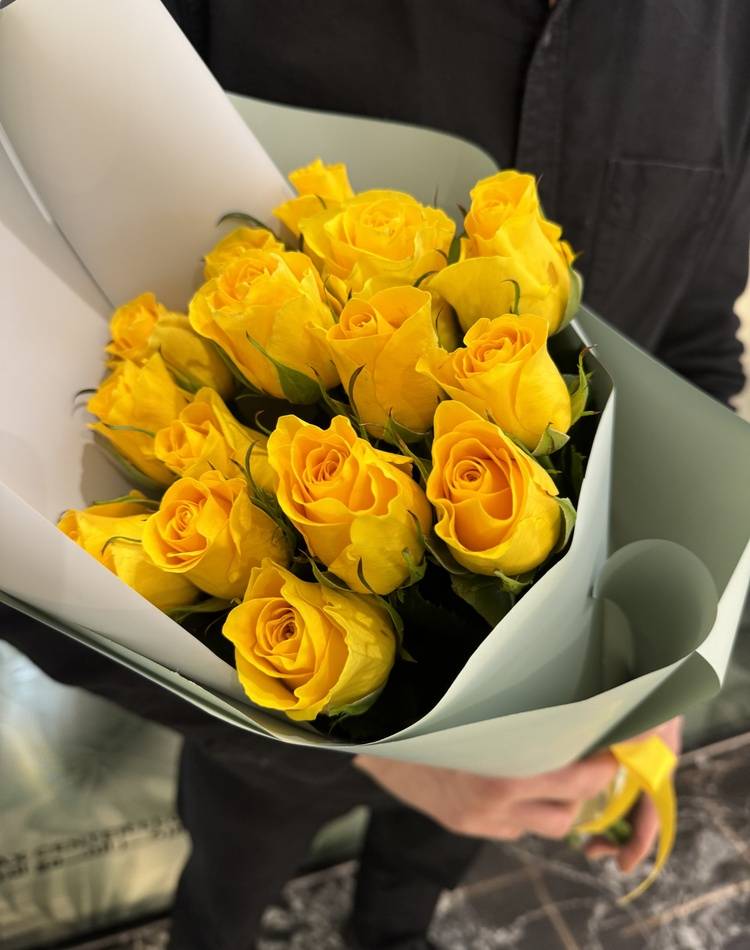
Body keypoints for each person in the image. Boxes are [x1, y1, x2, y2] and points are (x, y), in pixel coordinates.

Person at [2, 1, 748, 947]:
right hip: (271, 706)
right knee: (228, 885)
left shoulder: (719, 29)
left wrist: (658, 680)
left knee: (420, 879)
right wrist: (363, 755)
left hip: (559, 693)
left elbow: (692, 342)